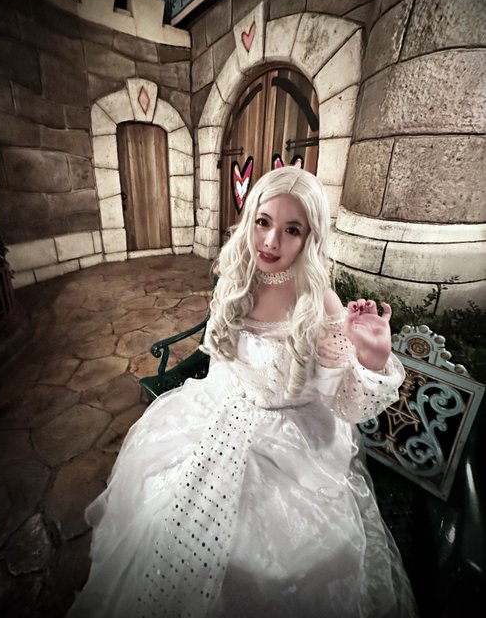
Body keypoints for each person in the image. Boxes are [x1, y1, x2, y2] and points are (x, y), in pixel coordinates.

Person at [67, 167, 418, 618]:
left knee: (257, 561)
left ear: (310, 237)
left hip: (291, 442)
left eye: (292, 230)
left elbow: (345, 405)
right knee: (160, 514)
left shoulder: (321, 303)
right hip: (218, 410)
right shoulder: (238, 279)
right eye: (263, 222)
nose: (270, 241)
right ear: (250, 217)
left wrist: (370, 358)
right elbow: (221, 363)